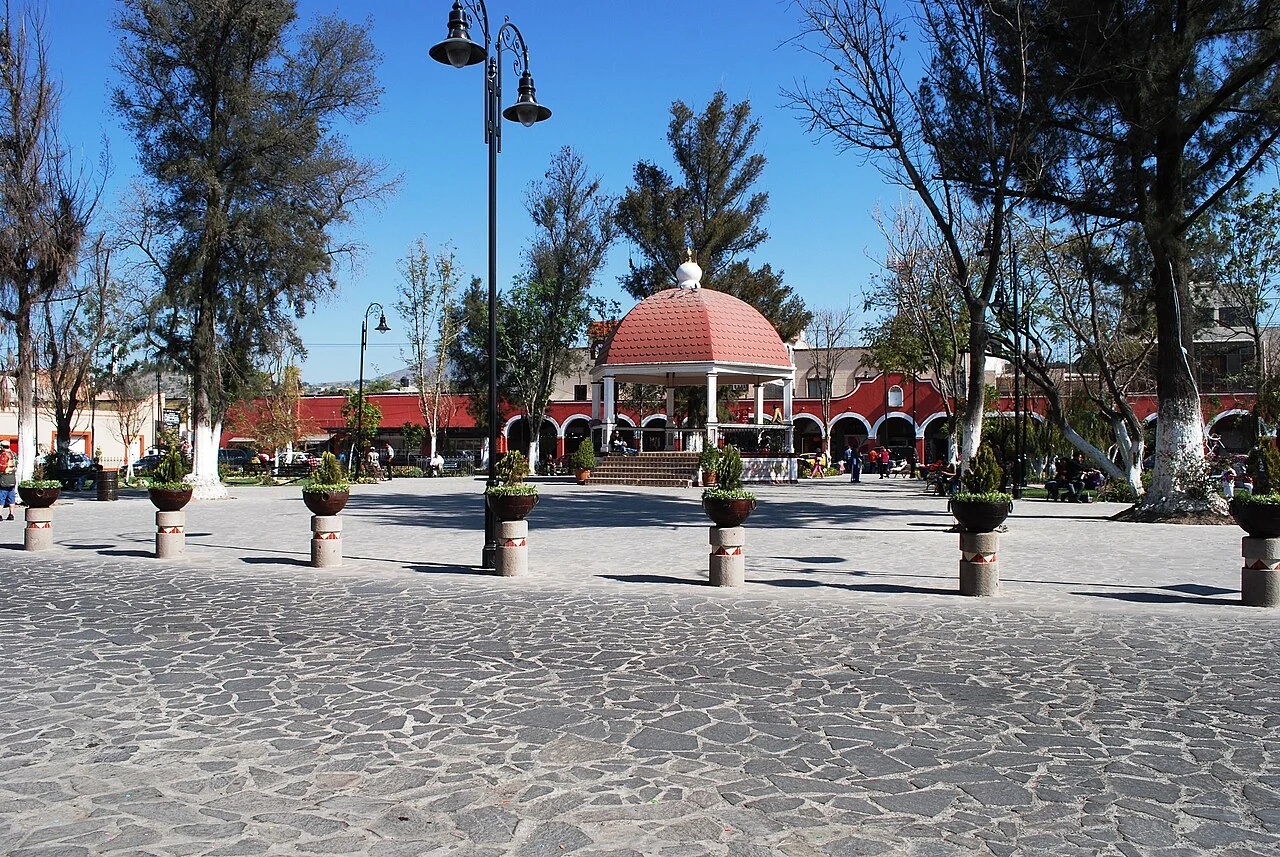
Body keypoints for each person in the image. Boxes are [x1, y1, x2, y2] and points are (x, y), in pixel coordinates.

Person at [0, 440, 14, 520]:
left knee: (1, 497)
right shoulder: (13, 454)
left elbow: (2, 467)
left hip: (4, 479)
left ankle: (0, 515)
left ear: (2, 447)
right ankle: (11, 514)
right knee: (11, 497)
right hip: (12, 479)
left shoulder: (3, 455)